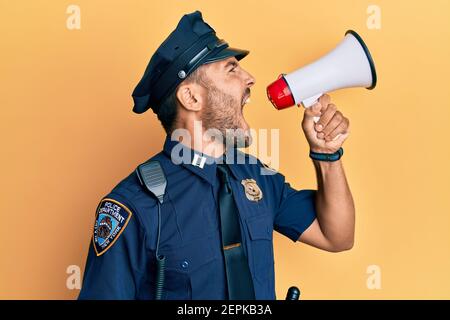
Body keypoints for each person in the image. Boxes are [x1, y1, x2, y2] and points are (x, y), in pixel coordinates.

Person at [78, 10, 355, 300]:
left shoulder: (256, 176)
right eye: (232, 69)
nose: (250, 79)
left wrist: (326, 155)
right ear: (191, 97)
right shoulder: (133, 204)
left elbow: (336, 235)